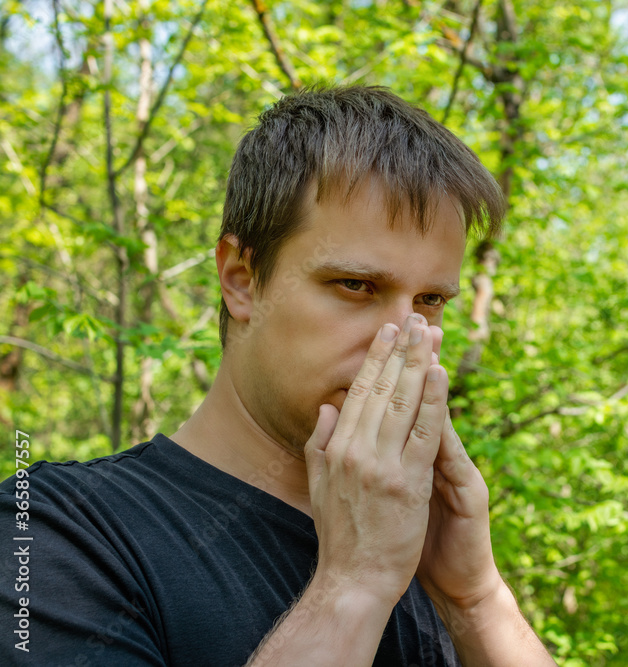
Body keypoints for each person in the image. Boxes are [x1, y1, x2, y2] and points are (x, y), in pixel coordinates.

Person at [0, 86, 556, 666]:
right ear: (241, 280)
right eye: (356, 285)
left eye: (431, 300)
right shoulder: (56, 534)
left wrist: (476, 599)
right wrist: (355, 581)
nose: (403, 338)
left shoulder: (423, 547)